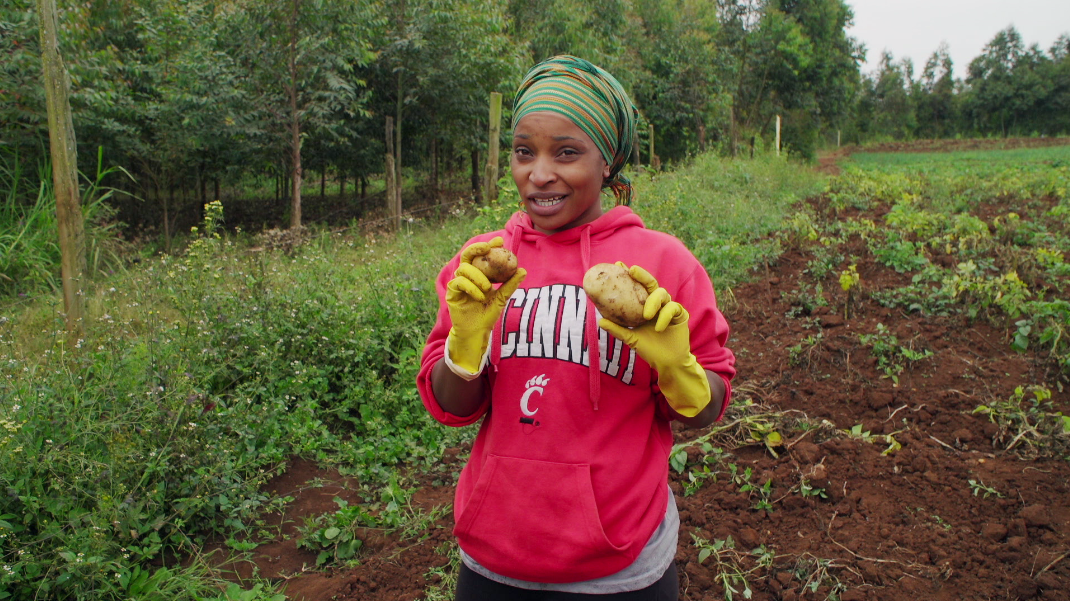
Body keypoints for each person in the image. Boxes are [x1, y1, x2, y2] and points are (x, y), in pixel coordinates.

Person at [416, 55, 735, 600]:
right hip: (495, 558)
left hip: (620, 564)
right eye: (524, 152)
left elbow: (707, 406)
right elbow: (453, 408)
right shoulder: (483, 262)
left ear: (607, 161)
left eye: (566, 152)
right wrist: (463, 349)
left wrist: (677, 367)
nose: (539, 173)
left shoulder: (663, 264)